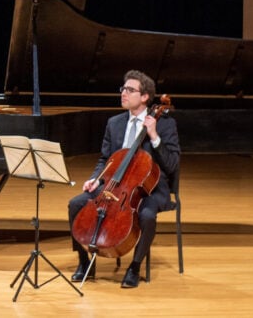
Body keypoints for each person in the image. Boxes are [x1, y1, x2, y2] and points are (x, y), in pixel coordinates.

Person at [68, 69, 180, 288]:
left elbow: (172, 164)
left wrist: (154, 136)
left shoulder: (165, 124)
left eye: (130, 90)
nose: (123, 93)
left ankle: (134, 267)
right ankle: (84, 262)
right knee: (76, 204)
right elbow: (105, 160)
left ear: (145, 96)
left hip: (149, 190)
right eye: (123, 89)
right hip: (115, 185)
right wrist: (96, 179)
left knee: (146, 215)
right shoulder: (114, 123)